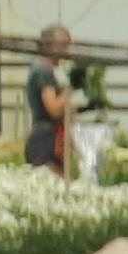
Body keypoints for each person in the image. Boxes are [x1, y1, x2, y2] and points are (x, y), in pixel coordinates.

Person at [29, 25, 81, 177]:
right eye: (64, 46)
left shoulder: (43, 70)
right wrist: (69, 88)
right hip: (46, 139)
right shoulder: (43, 72)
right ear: (50, 45)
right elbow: (53, 108)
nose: (66, 52)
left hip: (46, 136)